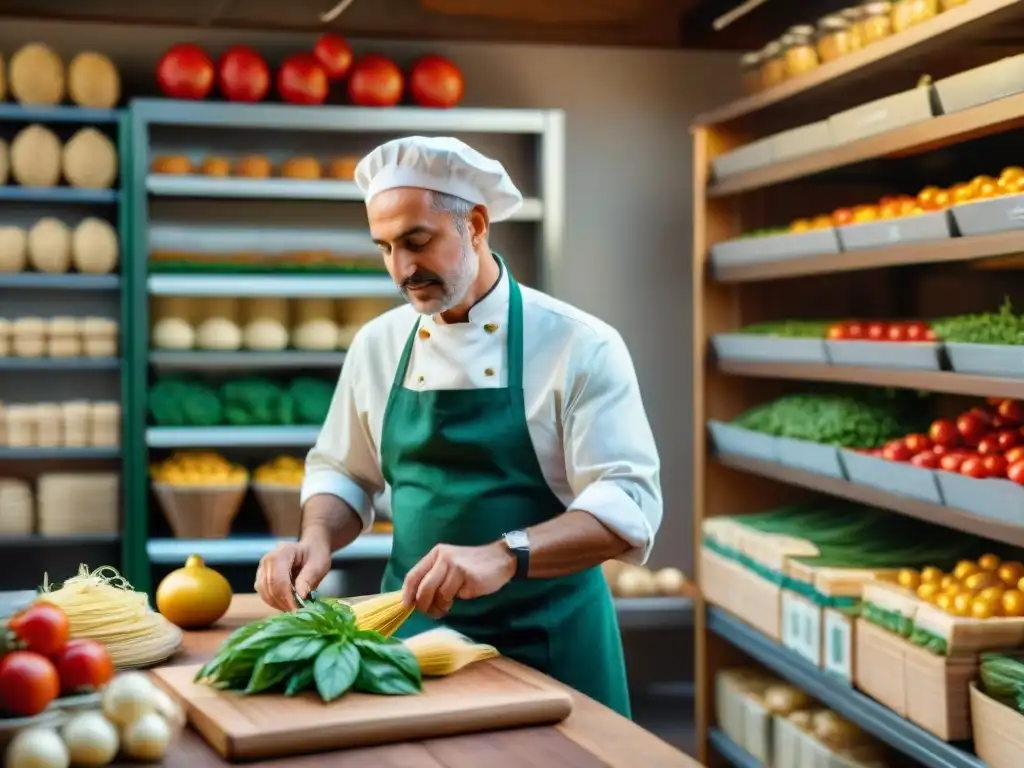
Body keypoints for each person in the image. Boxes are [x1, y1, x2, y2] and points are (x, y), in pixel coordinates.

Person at [255, 135, 662, 718]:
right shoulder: (378, 343)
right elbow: (344, 473)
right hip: (412, 646)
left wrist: (505, 554)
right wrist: (316, 538)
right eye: (385, 248)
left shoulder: (580, 345)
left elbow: (630, 508)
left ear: (474, 224)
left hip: (550, 646)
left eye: (418, 242)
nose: (401, 269)